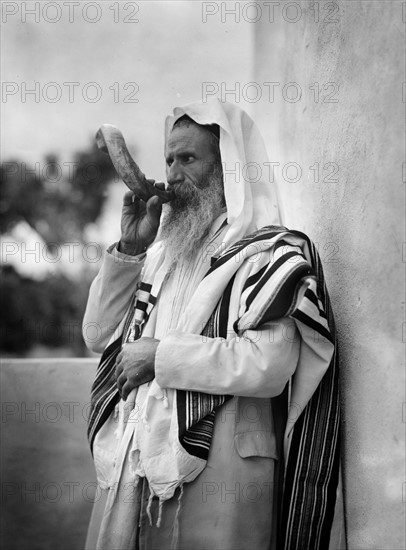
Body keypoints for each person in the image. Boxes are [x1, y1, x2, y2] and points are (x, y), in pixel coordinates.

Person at [83, 98, 341, 550]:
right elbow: (97, 336)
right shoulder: (159, 254)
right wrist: (128, 249)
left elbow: (268, 365)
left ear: (229, 169)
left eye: (188, 159)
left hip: (225, 469)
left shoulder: (266, 253)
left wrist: (160, 357)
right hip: (141, 464)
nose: (173, 174)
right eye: (169, 159)